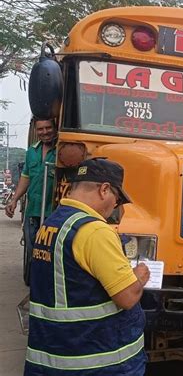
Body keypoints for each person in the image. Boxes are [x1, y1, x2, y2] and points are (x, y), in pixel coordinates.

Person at [24, 158, 150, 376]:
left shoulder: (52, 224)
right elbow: (127, 297)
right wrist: (139, 276)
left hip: (54, 352)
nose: (114, 208)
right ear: (104, 190)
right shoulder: (95, 231)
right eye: (117, 200)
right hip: (96, 360)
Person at [5, 118, 57, 284]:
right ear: (36, 131)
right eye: (40, 129)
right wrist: (14, 200)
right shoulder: (31, 152)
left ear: (55, 128)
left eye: (48, 128)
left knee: (51, 254)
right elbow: (25, 178)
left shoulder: (63, 150)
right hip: (32, 212)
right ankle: (35, 288)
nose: (45, 132)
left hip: (53, 213)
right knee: (32, 252)